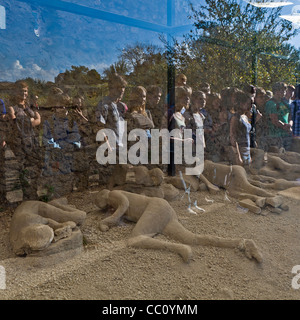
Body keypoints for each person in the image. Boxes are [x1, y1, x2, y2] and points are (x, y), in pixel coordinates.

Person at [7, 80, 42, 199]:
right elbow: (16, 123)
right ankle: (27, 197)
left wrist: (30, 121)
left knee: (36, 166)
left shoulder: (28, 107)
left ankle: (33, 193)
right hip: (20, 144)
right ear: (15, 92)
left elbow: (39, 119)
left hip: (32, 142)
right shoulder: (12, 107)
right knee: (24, 170)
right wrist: (32, 121)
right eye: (21, 91)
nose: (24, 93)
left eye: (26, 91)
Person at [96, 73, 128, 148]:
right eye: (118, 87)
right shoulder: (103, 105)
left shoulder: (122, 106)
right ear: (110, 88)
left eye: (123, 86)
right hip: (111, 151)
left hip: (122, 150)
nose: (121, 90)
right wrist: (109, 150)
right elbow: (100, 129)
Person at [264, 82, 292, 151]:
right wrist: (284, 126)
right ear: (276, 91)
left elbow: (290, 116)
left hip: (286, 135)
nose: (284, 92)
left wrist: (290, 125)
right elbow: (274, 120)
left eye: (285, 91)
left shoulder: (285, 103)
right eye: (282, 90)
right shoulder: (270, 103)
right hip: (274, 136)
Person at [229, 90, 252, 169]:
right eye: (248, 104)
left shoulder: (245, 116)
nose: (250, 106)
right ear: (241, 104)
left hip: (247, 150)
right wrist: (237, 156)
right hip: (240, 151)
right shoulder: (235, 118)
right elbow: (233, 137)